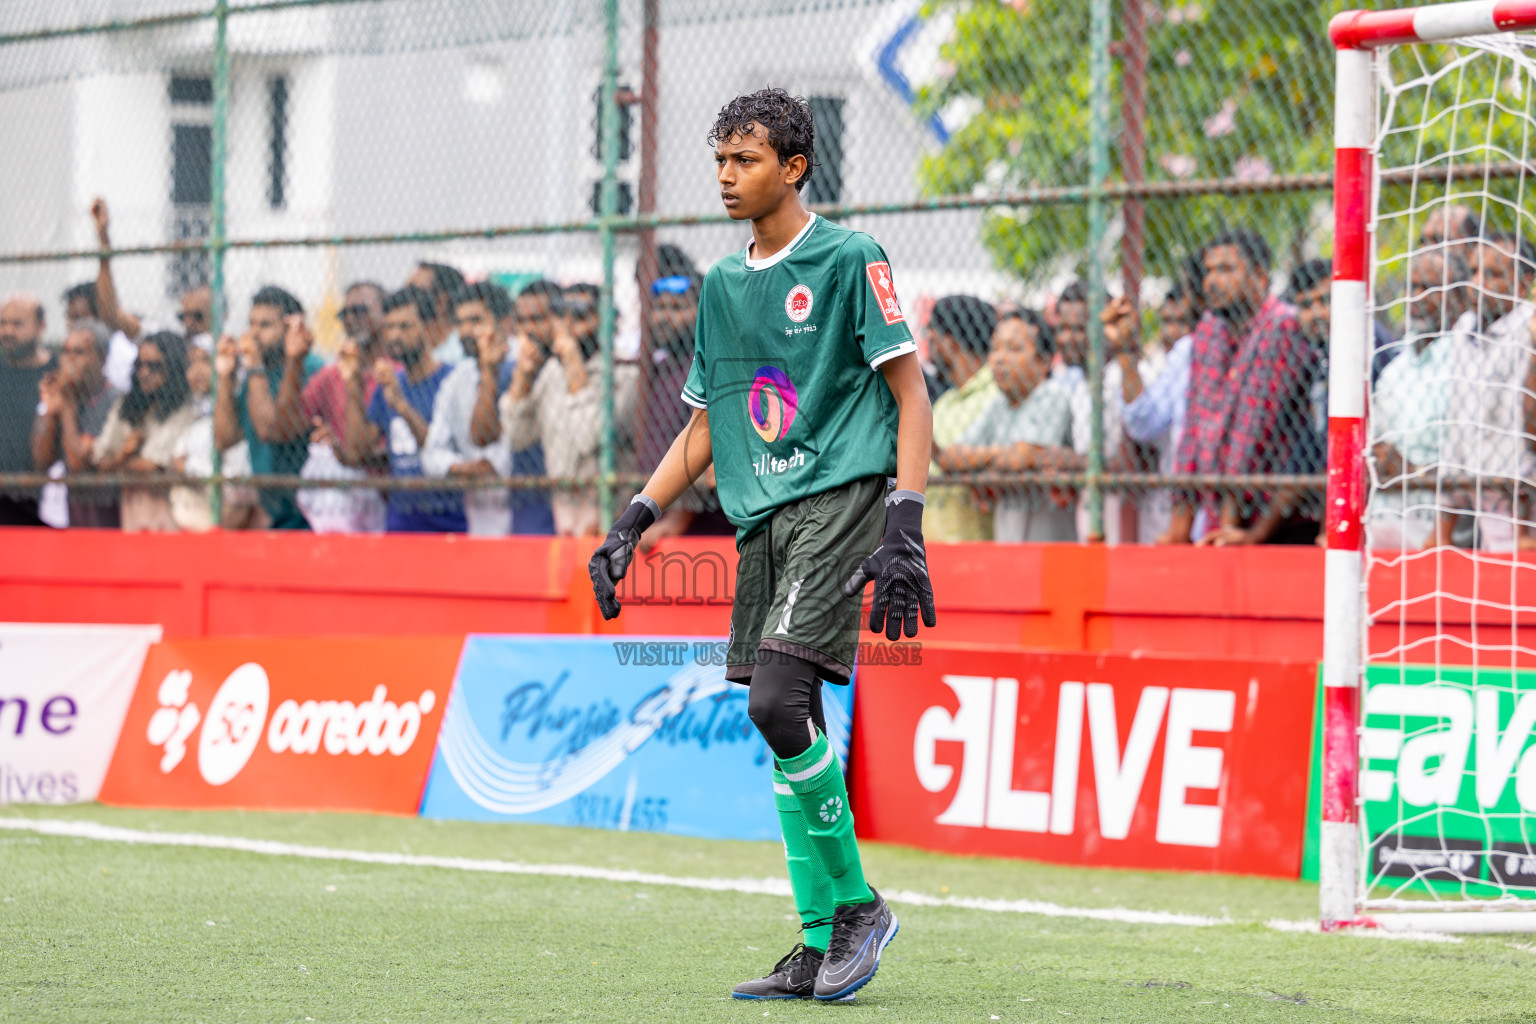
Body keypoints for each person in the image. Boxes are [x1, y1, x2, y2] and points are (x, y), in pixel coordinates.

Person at [588, 89, 925, 1002]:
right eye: (722, 161)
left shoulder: (852, 257)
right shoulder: (724, 287)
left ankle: (857, 907)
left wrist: (907, 516)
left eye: (747, 160)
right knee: (783, 724)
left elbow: (910, 394)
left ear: (795, 166)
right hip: (760, 516)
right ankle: (818, 941)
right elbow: (706, 424)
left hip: (839, 500)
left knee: (777, 699)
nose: (728, 177)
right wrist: (634, 518)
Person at [1163, 229, 1310, 544]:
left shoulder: (1281, 326)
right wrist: (1180, 529)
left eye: (1226, 270)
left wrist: (1229, 529)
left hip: (1276, 520)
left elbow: (1253, 429)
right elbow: (1195, 426)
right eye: (1209, 271)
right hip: (1222, 512)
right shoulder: (1210, 328)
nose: (1212, 281)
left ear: (1259, 276)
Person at [1198, 258, 1332, 546]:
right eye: (1307, 306)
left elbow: (1252, 432)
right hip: (1287, 517)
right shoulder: (1322, 360)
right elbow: (1308, 458)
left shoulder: (1370, 351)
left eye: (1326, 301)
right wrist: (1255, 535)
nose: (1316, 314)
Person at [499, 279, 639, 536]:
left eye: (581, 315)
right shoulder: (553, 371)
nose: (570, 325)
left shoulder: (625, 373)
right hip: (564, 520)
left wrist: (574, 364)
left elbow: (590, 437)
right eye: (562, 316)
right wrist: (522, 378)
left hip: (610, 522)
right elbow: (516, 438)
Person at [422, 280, 555, 536]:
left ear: (505, 324)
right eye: (460, 323)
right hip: (482, 522)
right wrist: (462, 467)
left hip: (534, 514)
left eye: (475, 321)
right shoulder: (456, 380)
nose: (465, 331)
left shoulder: (529, 365)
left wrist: (492, 465)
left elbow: (508, 447)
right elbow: (431, 453)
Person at [1432, 232, 1536, 550]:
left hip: (1523, 496)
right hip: (1482, 497)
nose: (1478, 283)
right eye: (1474, 272)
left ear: (1524, 283)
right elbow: (1456, 429)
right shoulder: (1464, 329)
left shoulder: (1528, 325)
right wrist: (1442, 529)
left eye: (1493, 274)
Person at [938, 310, 1077, 541]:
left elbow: (1022, 457)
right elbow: (951, 458)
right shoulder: (999, 404)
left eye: (1014, 349)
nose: (1000, 358)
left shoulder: (1053, 395)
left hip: (1050, 547)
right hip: (1008, 545)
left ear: (1043, 362)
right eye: (995, 348)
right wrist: (1003, 456)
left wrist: (981, 463)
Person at [343, 285, 464, 533]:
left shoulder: (453, 382)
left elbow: (438, 452)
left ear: (429, 329)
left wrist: (401, 406)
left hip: (451, 525)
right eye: (389, 327)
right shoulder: (387, 385)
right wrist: (353, 386)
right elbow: (357, 452)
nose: (395, 336)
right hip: (401, 527)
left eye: (405, 327)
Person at [1368, 249, 1467, 550]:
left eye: (1429, 287)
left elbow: (1475, 456)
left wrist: (1412, 472)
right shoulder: (1395, 369)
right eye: (1411, 287)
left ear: (1460, 299)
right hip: (1383, 524)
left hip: (1443, 529)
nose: (1417, 296)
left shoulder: (1465, 365)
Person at [213, 285, 324, 530]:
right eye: (251, 324)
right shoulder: (259, 375)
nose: (253, 334)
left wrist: (253, 366)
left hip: (314, 513)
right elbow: (224, 437)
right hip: (277, 512)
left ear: (290, 328)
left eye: (264, 325)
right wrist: (225, 377)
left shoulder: (311, 368)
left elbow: (269, 430)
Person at [296, 281, 389, 534]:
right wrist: (294, 361)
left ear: (384, 314)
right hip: (348, 500)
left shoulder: (396, 372)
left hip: (392, 495)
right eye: (345, 314)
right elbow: (290, 424)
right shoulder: (331, 374)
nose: (351, 319)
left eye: (360, 311)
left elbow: (370, 451)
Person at [92, 332, 197, 532]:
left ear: (173, 368)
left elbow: (151, 466)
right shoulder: (126, 405)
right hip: (132, 519)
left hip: (169, 521)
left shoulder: (184, 409)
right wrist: (123, 454)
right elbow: (100, 461)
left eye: (155, 366)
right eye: (140, 365)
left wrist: (121, 461)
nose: (145, 373)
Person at [33, 319, 122, 528]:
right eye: (65, 352)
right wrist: (49, 410)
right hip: (71, 517)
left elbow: (77, 463)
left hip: (106, 517)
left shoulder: (115, 400)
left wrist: (66, 406)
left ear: (102, 358)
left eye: (79, 352)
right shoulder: (67, 397)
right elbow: (41, 460)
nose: (69, 360)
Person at [925, 294, 999, 541]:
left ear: (949, 342)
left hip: (974, 546)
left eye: (932, 338)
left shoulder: (996, 395)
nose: (928, 347)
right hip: (931, 553)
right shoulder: (944, 403)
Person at [0, 295, 56, 525]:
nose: (7, 331)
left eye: (17, 324)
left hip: (40, 501)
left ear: (41, 327)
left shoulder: (56, 372)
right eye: (3, 323)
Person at [405, 262, 467, 367]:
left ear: (442, 301)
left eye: (413, 292)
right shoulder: (403, 352)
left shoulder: (462, 353)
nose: (403, 299)